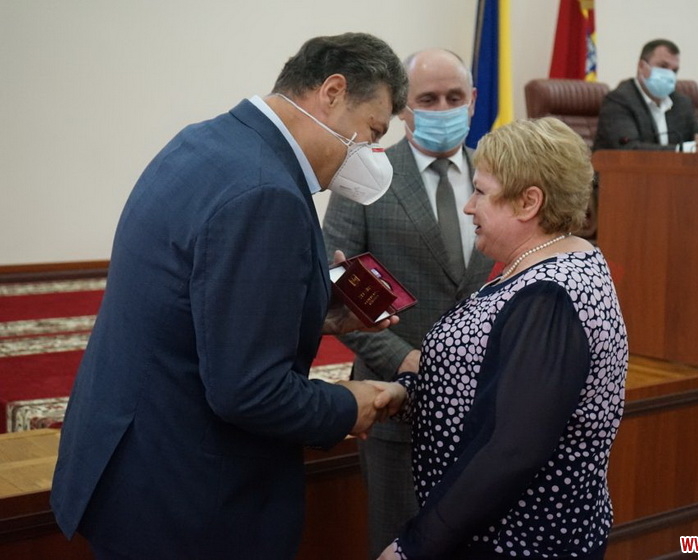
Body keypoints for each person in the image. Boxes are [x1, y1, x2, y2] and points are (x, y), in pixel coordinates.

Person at [50, 32, 408, 560]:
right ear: (332, 92)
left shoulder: (208, 141)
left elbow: (198, 300)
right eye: (373, 132)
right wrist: (345, 406)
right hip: (190, 499)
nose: (371, 153)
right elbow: (249, 390)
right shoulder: (266, 193)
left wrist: (316, 312)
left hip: (129, 461)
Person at [372, 117, 629, 559]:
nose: (469, 207)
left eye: (481, 192)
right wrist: (410, 392)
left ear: (528, 202)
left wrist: (414, 547)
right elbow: (489, 383)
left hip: (516, 542)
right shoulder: (544, 267)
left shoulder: (549, 296)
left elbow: (512, 449)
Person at [322, 48, 496, 559]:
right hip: (397, 406)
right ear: (403, 107)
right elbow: (339, 281)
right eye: (428, 99)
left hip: (484, 405)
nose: (443, 108)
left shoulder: (495, 175)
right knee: (400, 542)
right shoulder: (365, 173)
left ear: (473, 101)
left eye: (454, 97)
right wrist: (404, 358)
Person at [593, 38, 698, 152]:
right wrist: (687, 149)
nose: (669, 74)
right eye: (663, 66)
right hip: (620, 174)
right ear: (641, 66)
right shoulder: (618, 100)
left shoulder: (682, 103)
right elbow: (630, 149)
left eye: (674, 70)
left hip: (673, 175)